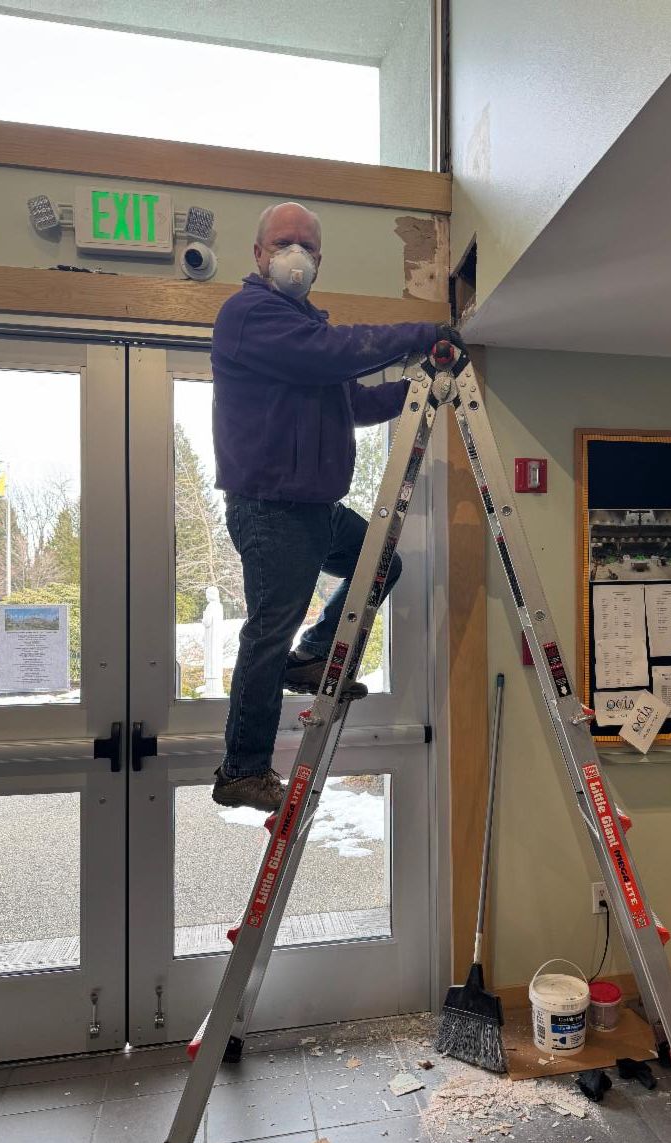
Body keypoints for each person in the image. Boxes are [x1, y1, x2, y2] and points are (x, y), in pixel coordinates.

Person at [210, 201, 459, 813]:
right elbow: (328, 354)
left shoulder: (306, 331)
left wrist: (421, 388)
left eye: (307, 245)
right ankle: (242, 769)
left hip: (315, 506)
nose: (295, 254)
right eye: (283, 242)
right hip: (271, 508)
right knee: (269, 633)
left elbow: (356, 403)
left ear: (319, 259)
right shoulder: (250, 315)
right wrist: (420, 333)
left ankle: (317, 655)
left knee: (381, 565)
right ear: (258, 254)